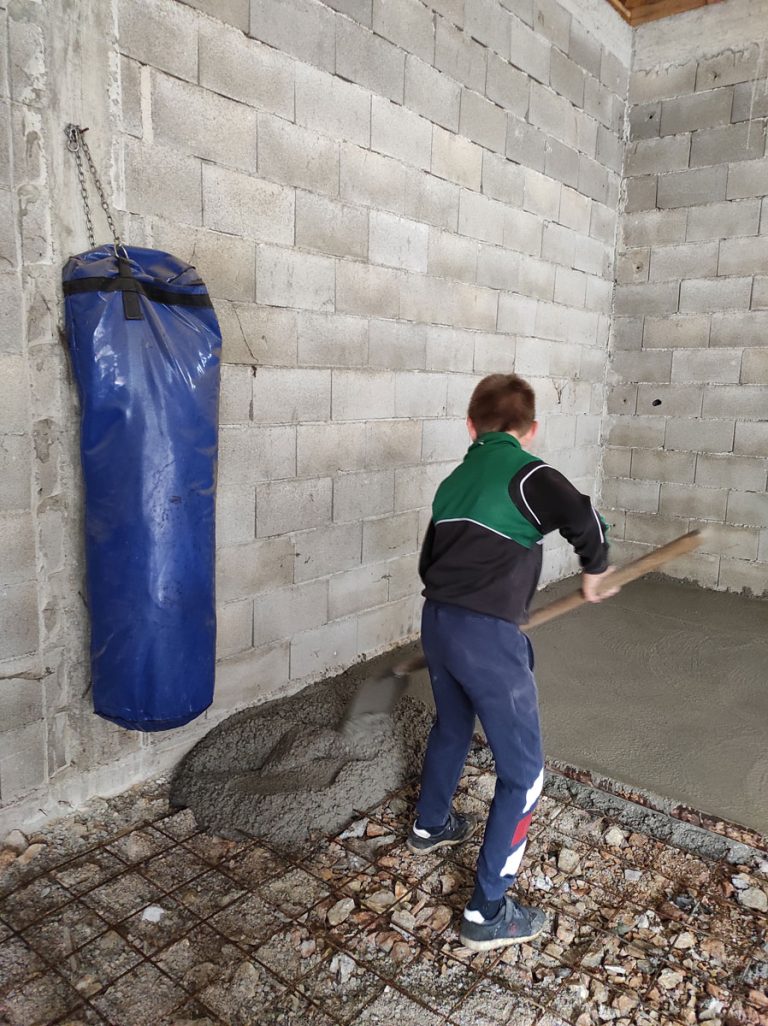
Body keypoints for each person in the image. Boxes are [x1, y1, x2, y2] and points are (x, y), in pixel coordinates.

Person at [407, 373, 618, 952]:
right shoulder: (530, 473)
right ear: (530, 430)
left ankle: (430, 825)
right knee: (525, 774)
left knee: (452, 724)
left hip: (438, 623)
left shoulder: (452, 482)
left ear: (471, 427)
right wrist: (595, 571)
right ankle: (487, 911)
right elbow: (584, 517)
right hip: (486, 639)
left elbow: (430, 564)